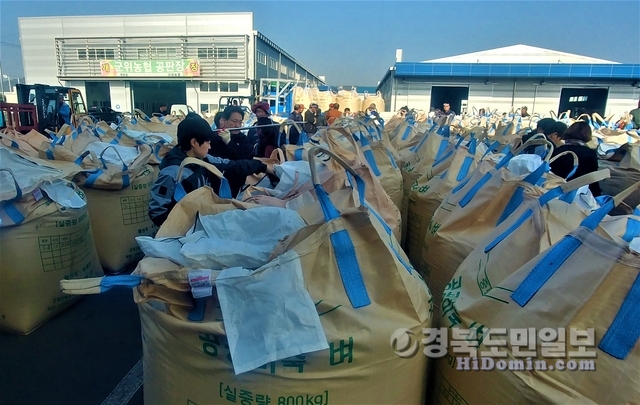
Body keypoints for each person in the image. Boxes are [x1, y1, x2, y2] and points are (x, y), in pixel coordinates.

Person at [148, 114, 271, 226]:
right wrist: (182, 224)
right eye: (208, 142)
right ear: (194, 142)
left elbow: (231, 165)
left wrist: (262, 166)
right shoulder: (173, 172)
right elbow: (157, 213)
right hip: (183, 231)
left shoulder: (203, 159)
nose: (210, 146)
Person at [550, 121, 601, 196]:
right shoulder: (590, 153)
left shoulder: (558, 151)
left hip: (558, 190)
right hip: (584, 193)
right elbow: (593, 174)